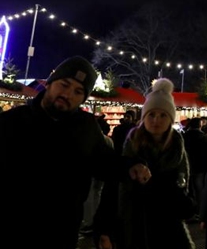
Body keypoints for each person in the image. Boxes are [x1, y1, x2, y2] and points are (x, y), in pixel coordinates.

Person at [0, 56, 119, 249]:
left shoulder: (87, 127)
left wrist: (132, 165)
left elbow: (105, 163)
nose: (68, 94)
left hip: (62, 234)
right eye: (64, 85)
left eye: (78, 91)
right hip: (13, 232)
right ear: (50, 83)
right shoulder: (11, 122)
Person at [97, 77, 194, 249]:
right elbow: (113, 189)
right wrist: (105, 229)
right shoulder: (130, 147)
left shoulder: (178, 151)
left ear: (171, 119)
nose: (156, 120)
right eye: (151, 114)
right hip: (132, 231)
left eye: (163, 115)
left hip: (168, 234)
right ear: (144, 117)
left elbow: (186, 203)